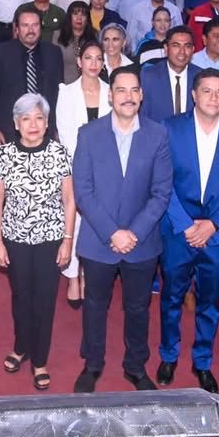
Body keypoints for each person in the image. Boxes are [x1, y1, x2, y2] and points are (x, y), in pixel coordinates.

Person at [70, 64, 172, 393]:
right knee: (95, 305)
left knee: (138, 307)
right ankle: (93, 363)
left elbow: (161, 192)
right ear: (110, 96)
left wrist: (134, 233)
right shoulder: (89, 133)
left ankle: (135, 365)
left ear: (141, 96)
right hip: (99, 240)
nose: (128, 97)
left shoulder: (158, 134)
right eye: (121, 91)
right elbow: (83, 191)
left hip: (142, 243)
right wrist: (112, 232)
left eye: (133, 91)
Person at [157, 67, 219, 392]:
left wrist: (213, 224)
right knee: (171, 296)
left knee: (209, 302)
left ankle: (202, 362)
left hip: (217, 234)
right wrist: (186, 226)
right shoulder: (170, 128)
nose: (213, 98)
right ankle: (168, 355)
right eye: (207, 91)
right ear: (194, 95)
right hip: (177, 231)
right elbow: (163, 182)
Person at [0, 92, 75, 392]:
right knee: (20, 296)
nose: (33, 124)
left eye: (39, 118)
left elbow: (69, 199)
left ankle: (40, 360)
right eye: (26, 118)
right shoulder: (4, 155)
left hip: (51, 238)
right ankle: (21, 345)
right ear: (16, 123)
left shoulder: (59, 153)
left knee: (44, 300)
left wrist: (67, 240)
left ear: (47, 121)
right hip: (14, 237)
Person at [55, 40, 111, 303]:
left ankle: (89, 273)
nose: (93, 63)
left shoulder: (112, 92)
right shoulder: (66, 93)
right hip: (75, 166)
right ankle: (73, 276)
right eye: (88, 58)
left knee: (97, 222)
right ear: (79, 62)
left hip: (106, 168)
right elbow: (66, 136)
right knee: (74, 222)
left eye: (98, 59)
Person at [0, 8, 64, 147]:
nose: (30, 30)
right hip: (10, 129)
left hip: (45, 129)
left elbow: (60, 94)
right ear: (16, 28)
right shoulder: (1, 52)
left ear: (41, 27)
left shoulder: (54, 53)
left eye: (35, 25)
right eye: (25, 25)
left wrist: (59, 128)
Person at [140, 26, 201, 121]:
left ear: (193, 50)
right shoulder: (148, 76)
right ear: (166, 48)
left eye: (187, 46)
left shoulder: (201, 77)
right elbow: (143, 117)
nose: (182, 52)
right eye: (176, 45)